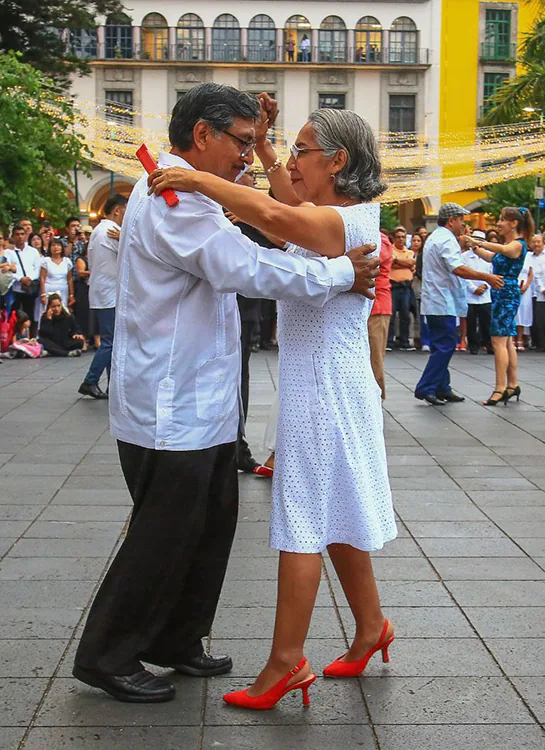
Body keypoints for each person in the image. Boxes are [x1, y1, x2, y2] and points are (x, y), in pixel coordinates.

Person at [72, 84, 379, 705]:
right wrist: (341, 272)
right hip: (171, 402)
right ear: (203, 136)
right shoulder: (177, 196)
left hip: (203, 399)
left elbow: (273, 215)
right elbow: (248, 265)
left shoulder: (194, 191)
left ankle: (177, 639)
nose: (249, 155)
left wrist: (260, 149)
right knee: (166, 530)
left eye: (256, 144)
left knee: (211, 522)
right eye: (241, 142)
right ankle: (108, 653)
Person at [149, 101, 397, 709]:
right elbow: (284, 203)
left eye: (302, 150)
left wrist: (195, 177)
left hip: (324, 391)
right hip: (328, 384)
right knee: (334, 516)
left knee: (303, 525)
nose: (291, 160)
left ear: (338, 161)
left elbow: (268, 213)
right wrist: (263, 145)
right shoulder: (333, 214)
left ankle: (285, 662)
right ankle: (372, 628)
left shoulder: (346, 225)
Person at [415, 203, 504, 406]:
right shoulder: (445, 240)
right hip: (441, 301)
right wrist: (486, 277)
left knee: (441, 344)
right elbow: (458, 269)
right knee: (445, 346)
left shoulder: (438, 237)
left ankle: (442, 386)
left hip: (438, 300)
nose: (463, 225)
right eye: (461, 220)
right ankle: (426, 386)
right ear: (452, 220)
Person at [466, 207, 533, 405]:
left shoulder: (517, 245)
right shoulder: (509, 245)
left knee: (498, 341)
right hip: (502, 292)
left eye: (503, 220)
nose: (499, 224)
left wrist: (477, 241)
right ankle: (512, 384)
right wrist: (473, 246)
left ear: (514, 224)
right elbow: (490, 256)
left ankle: (500, 387)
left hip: (506, 293)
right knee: (507, 340)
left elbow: (501, 250)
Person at [77, 195, 127, 400]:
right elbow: (133, 253)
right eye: (125, 210)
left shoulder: (99, 230)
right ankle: (90, 380)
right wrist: (125, 238)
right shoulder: (111, 231)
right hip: (109, 294)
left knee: (111, 340)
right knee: (110, 341)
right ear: (116, 210)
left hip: (104, 292)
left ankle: (111, 385)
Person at [369, 232, 393, 398]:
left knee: (375, 356)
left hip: (377, 305)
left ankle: (376, 398)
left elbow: (375, 260)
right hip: (369, 304)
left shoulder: (380, 239)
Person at [463, 230, 492, 355]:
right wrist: (474, 288)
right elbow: (463, 275)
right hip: (470, 294)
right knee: (471, 322)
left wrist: (486, 285)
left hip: (485, 294)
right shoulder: (464, 257)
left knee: (487, 322)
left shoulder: (489, 256)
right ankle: (473, 345)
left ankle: (489, 344)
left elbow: (492, 273)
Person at [387, 225, 415, 351]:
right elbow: (390, 263)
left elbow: (411, 263)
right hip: (393, 286)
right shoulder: (389, 251)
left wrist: (396, 261)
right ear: (393, 238)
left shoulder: (410, 252)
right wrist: (404, 263)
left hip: (406, 287)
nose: (400, 239)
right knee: (391, 315)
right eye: (398, 237)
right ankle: (389, 341)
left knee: (405, 315)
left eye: (403, 237)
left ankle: (404, 341)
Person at [10, 224, 41, 335]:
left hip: (30, 287)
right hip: (16, 288)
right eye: (17, 234)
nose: (20, 237)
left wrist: (29, 278)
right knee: (15, 314)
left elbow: (37, 268)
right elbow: (8, 270)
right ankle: (15, 337)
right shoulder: (9, 252)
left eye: (22, 234)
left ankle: (30, 337)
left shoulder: (33, 251)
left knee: (30, 314)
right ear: (13, 236)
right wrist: (20, 279)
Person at [39, 238, 75, 311]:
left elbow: (70, 279)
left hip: (63, 291)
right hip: (49, 289)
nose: (56, 247)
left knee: (63, 311)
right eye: (53, 245)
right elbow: (42, 278)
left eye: (58, 245)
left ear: (62, 247)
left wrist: (71, 294)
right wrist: (43, 295)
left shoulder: (67, 261)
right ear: (50, 248)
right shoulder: (46, 261)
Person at [515, 249, 534, 351]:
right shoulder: (511, 255)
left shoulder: (528, 256)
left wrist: (526, 286)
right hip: (513, 286)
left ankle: (520, 338)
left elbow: (531, 274)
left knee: (523, 313)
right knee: (514, 313)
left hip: (525, 288)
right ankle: (512, 338)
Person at [530, 234, 545, 351]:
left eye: (538, 242)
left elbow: (540, 275)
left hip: (541, 293)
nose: (536, 244)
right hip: (531, 292)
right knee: (536, 319)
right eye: (534, 242)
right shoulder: (528, 256)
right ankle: (539, 343)